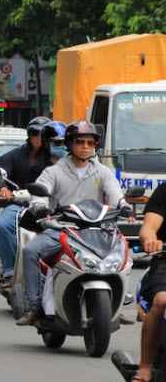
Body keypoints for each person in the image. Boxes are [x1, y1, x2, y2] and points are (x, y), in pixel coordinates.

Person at [16, 120, 131, 325]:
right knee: (30, 251)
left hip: (97, 228)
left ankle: (119, 302)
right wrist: (40, 206)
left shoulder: (102, 171)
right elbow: (40, 192)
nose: (85, 147)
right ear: (70, 144)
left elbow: (114, 192)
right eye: (80, 142)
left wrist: (122, 205)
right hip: (62, 228)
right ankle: (33, 307)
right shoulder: (54, 171)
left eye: (90, 142)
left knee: (123, 250)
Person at [0, 116, 53, 285]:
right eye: (34, 133)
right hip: (19, 204)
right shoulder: (12, 156)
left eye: (43, 134)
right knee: (2, 227)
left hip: (49, 207)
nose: (38, 137)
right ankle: (10, 269)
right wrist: (2, 188)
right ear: (29, 135)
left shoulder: (57, 158)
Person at [134, 182, 166, 382]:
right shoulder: (165, 191)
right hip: (165, 263)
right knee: (163, 300)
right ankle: (145, 366)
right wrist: (150, 239)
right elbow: (149, 226)